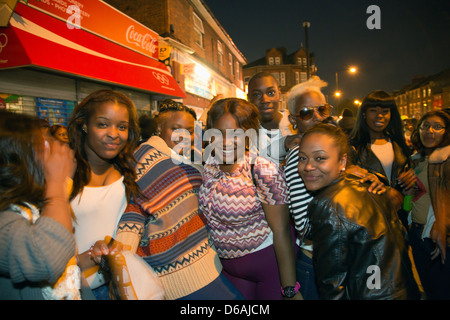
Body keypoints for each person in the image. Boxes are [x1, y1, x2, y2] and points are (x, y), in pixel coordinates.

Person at [114, 100, 243, 300]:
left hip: (207, 262)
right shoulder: (144, 159)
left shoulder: (186, 159)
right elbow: (132, 215)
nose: (184, 137)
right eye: (176, 129)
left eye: (190, 131)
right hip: (182, 273)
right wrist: (119, 263)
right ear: (159, 127)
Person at [284, 77, 386, 299]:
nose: (318, 116)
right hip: (318, 264)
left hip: (349, 261)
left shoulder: (334, 148)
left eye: (322, 109)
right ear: (294, 119)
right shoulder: (298, 157)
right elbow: (305, 226)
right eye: (306, 112)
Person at [297, 123, 421, 300]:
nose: (308, 166)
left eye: (320, 158)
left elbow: (332, 283)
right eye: (302, 158)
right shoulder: (370, 186)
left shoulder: (327, 205)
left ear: (342, 161)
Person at [199, 98, 300, 300]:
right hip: (229, 269)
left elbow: (281, 232)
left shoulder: (261, 169)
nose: (225, 141)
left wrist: (290, 290)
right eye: (218, 133)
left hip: (269, 267)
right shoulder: (208, 164)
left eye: (235, 134)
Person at [0, 110, 93, 300]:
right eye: (41, 145)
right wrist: (56, 182)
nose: (51, 150)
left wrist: (92, 256)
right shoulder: (5, 217)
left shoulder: (36, 207)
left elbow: (66, 269)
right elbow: (44, 259)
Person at [67, 89, 142, 300]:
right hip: (77, 290)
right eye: (102, 124)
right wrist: (91, 257)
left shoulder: (131, 171)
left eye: (122, 127)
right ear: (84, 125)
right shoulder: (62, 173)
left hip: (120, 286)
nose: (113, 133)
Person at [408, 110, 450, 299]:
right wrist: (407, 193)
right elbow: (409, 205)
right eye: (425, 126)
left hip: (437, 235)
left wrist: (442, 224)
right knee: (428, 287)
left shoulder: (446, 160)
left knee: (441, 290)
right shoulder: (416, 160)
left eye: (437, 127)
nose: (429, 131)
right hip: (416, 234)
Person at [247, 71, 296, 164]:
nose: (265, 100)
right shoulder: (246, 132)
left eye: (270, 93)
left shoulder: (296, 124)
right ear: (249, 98)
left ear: (279, 95)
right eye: (257, 95)